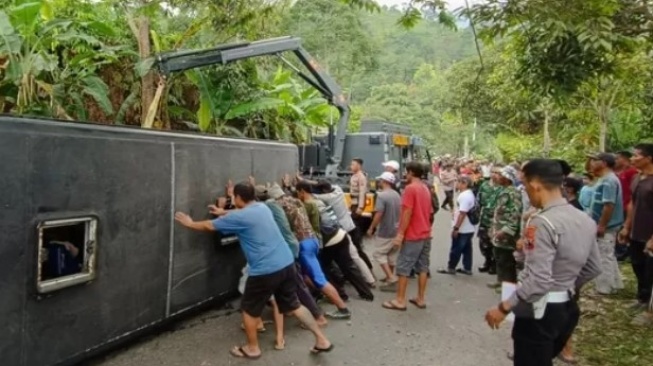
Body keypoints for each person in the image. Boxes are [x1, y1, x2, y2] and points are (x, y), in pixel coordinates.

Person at [174, 182, 332, 359]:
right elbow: (241, 214)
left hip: (265, 269)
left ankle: (252, 348)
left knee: (248, 309)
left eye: (233, 197)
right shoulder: (262, 207)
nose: (232, 199)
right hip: (286, 263)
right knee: (294, 304)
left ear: (239, 198)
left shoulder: (241, 217)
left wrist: (190, 223)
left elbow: (209, 226)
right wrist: (223, 212)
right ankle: (321, 339)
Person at [484, 159, 602, 366]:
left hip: (538, 310)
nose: (525, 191)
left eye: (525, 184)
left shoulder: (541, 222)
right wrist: (565, 286)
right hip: (567, 308)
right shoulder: (585, 219)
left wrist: (503, 307)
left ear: (535, 184)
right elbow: (593, 268)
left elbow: (537, 281)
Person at [266, 184, 352, 319]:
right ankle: (316, 298)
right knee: (305, 276)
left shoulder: (277, 206)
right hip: (312, 240)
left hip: (302, 244)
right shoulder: (295, 200)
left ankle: (342, 308)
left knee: (319, 279)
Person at [253, 185, 328, 327]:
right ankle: (288, 309)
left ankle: (318, 316)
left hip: (287, 248)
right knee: (288, 283)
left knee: (298, 284)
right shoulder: (292, 201)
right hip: (295, 244)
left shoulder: (270, 206)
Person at [294, 181, 374, 301]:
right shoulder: (322, 201)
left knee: (323, 267)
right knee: (348, 267)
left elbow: (315, 227)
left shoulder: (309, 205)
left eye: (297, 193)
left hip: (330, 239)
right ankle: (366, 293)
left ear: (302, 192)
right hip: (341, 234)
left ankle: (340, 294)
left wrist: (318, 247)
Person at [382, 162, 433, 311]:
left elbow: (407, 212)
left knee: (403, 267)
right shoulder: (425, 188)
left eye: (407, 172)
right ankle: (421, 298)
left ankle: (400, 300)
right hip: (425, 233)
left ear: (411, 172)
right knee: (423, 267)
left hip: (413, 234)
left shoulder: (410, 189)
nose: (405, 175)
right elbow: (429, 212)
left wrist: (400, 234)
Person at [619, 143, 653, 316]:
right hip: (636, 231)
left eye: (636, 155)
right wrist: (626, 227)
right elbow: (632, 204)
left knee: (650, 269)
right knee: (637, 265)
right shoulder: (637, 178)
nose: (632, 159)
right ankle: (642, 297)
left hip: (650, 233)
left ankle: (649, 307)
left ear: (649, 158)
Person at [587, 152, 625, 295]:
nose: (591, 163)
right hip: (603, 224)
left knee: (603, 255)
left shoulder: (609, 180)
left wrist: (602, 225)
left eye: (595, 160)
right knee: (608, 253)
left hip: (606, 225)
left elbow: (608, 205)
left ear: (603, 163)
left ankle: (604, 288)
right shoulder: (604, 178)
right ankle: (614, 283)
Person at [367, 172, 402, 290]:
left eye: (380, 180)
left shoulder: (382, 196)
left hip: (385, 230)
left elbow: (379, 214)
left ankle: (391, 278)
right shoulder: (397, 194)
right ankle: (390, 276)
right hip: (396, 229)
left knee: (379, 254)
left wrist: (372, 227)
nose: (379, 182)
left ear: (385, 181)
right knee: (391, 254)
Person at [489, 166, 523, 288]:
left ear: (507, 178)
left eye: (501, 175)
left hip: (506, 233)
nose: (497, 177)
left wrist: (506, 230)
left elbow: (515, 213)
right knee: (499, 257)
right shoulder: (502, 191)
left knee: (506, 259)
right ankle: (500, 281)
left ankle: (508, 285)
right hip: (498, 229)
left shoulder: (513, 193)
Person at [437, 175, 476, 275]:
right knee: (467, 249)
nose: (456, 184)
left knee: (456, 248)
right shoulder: (467, 194)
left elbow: (462, 213)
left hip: (463, 228)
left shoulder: (465, 196)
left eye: (458, 182)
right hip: (468, 227)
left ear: (465, 184)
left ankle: (451, 267)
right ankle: (467, 268)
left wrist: (456, 228)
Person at [477, 165, 502, 274]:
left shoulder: (502, 187)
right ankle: (487, 261)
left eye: (497, 173)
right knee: (483, 243)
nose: (494, 175)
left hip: (497, 221)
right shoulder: (484, 185)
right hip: (485, 219)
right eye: (493, 172)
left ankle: (494, 264)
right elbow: (479, 201)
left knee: (495, 244)